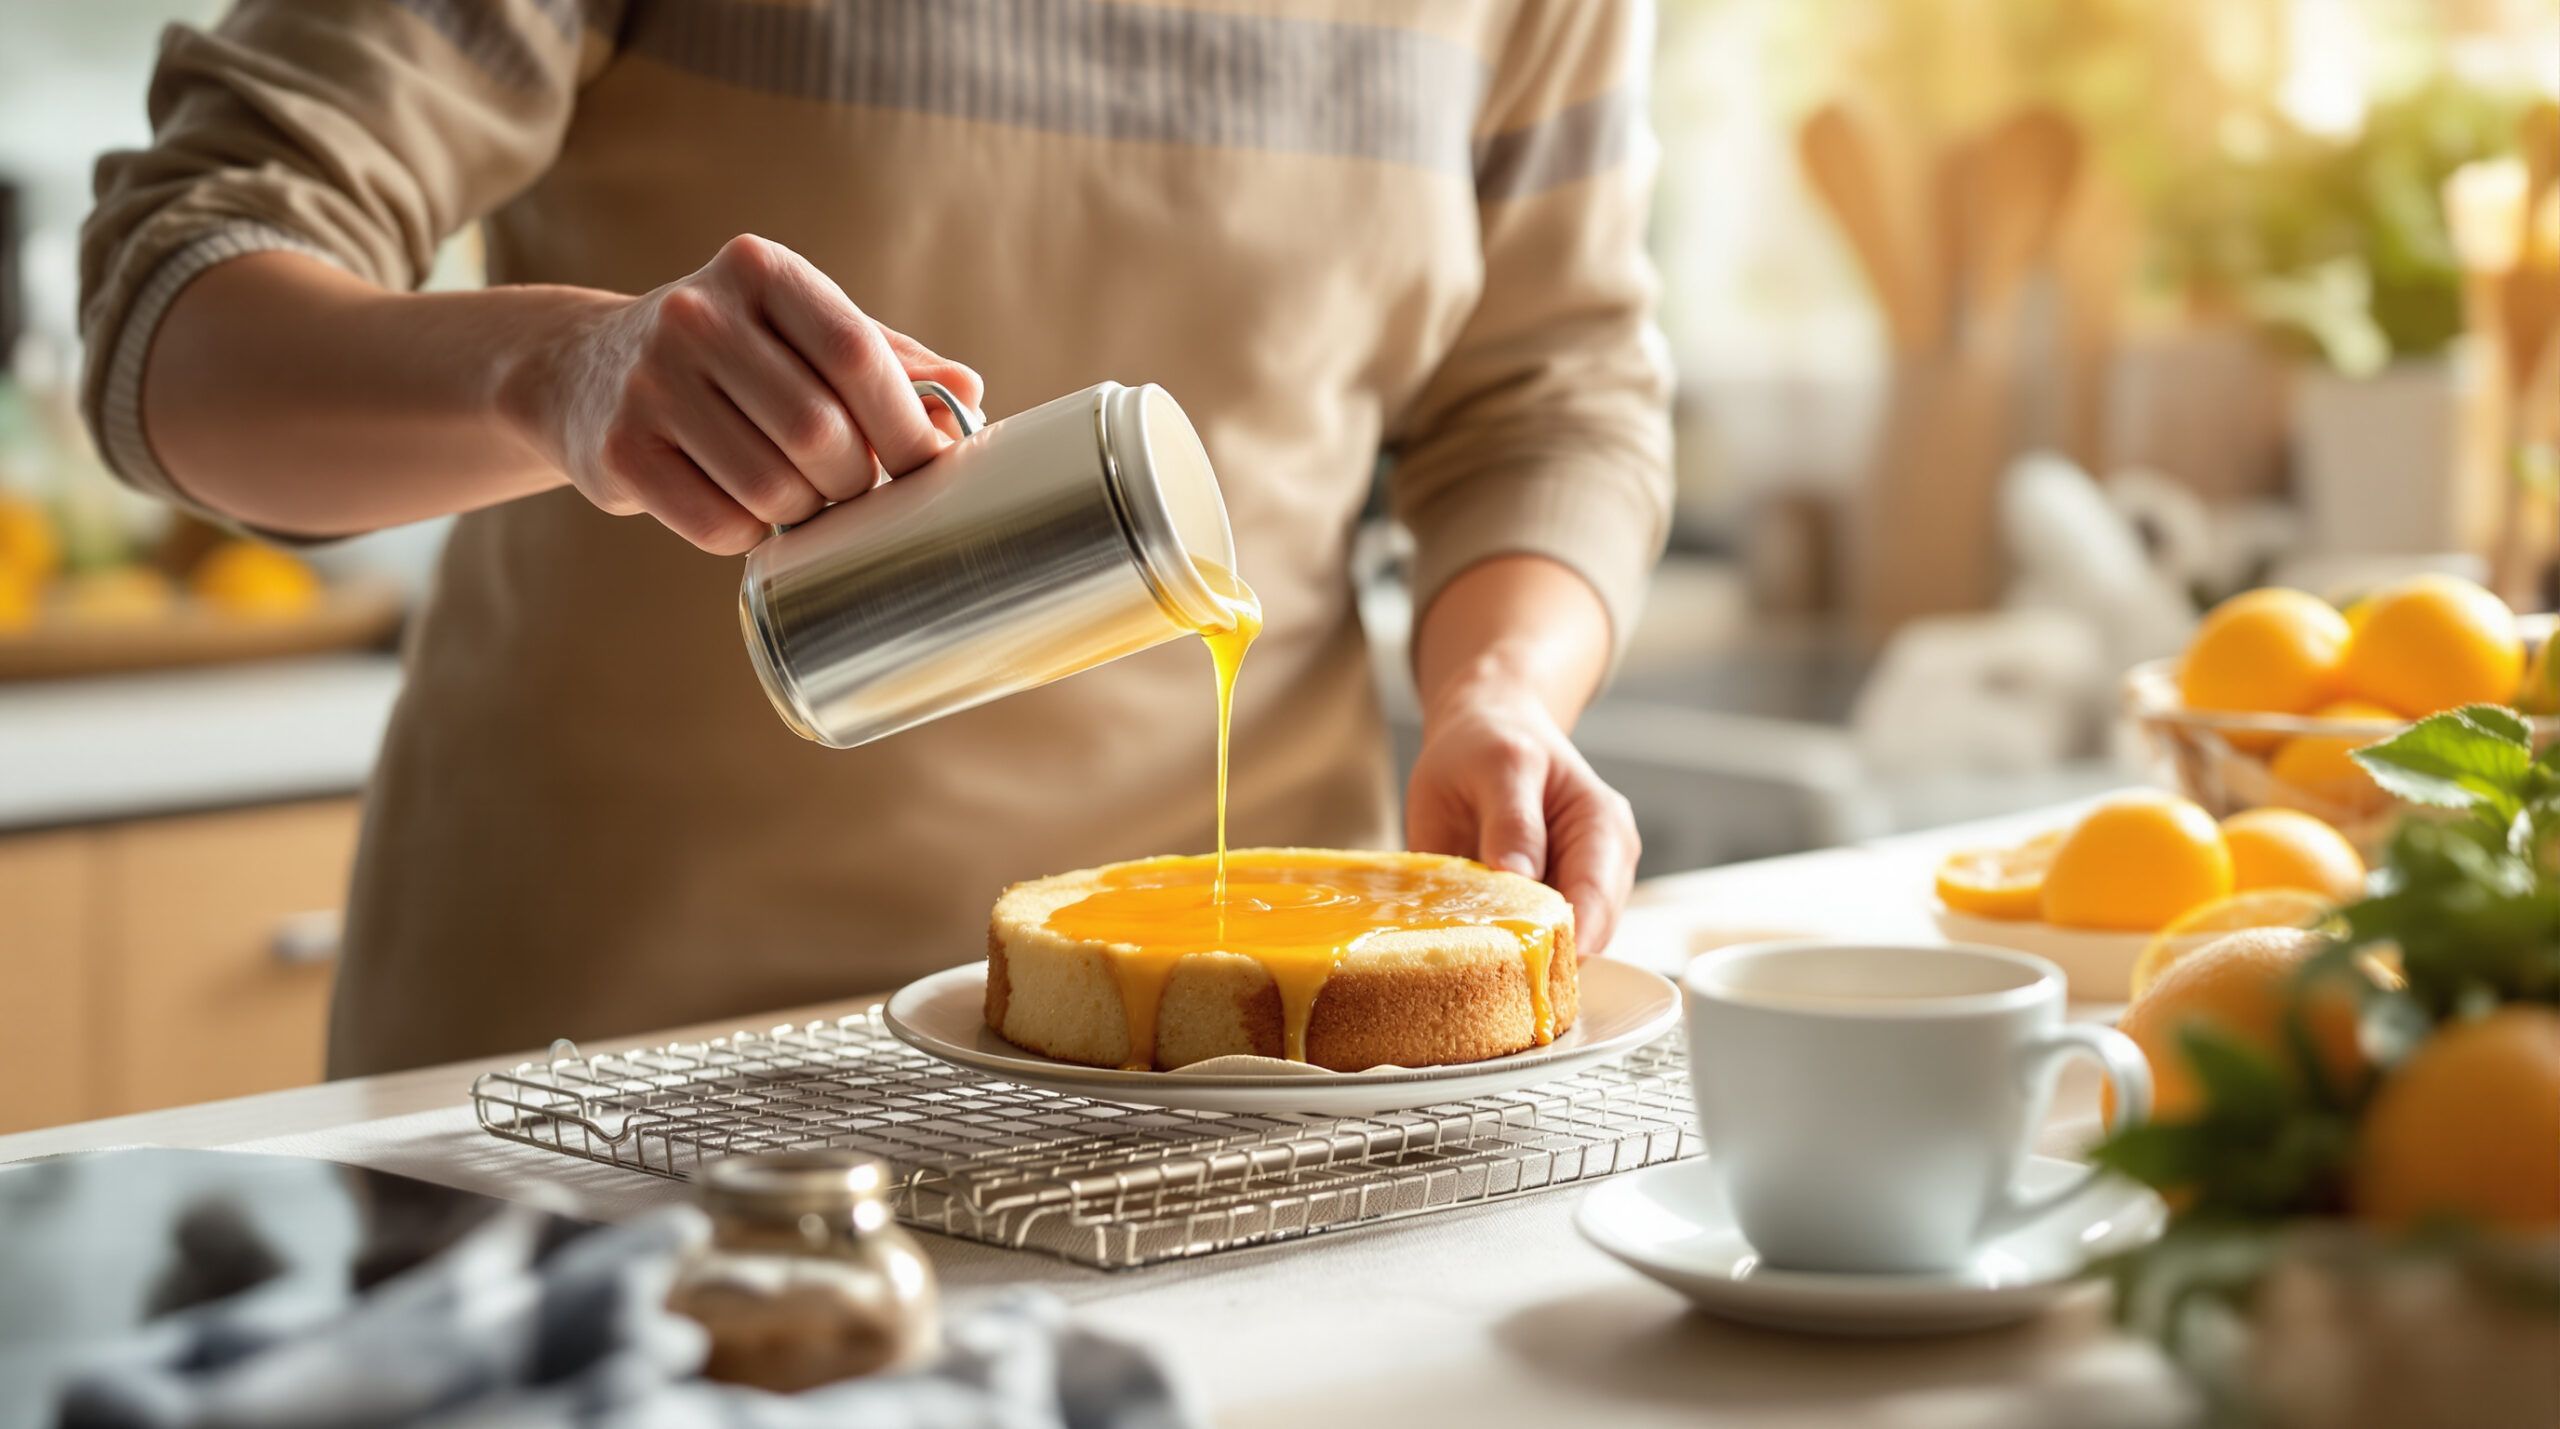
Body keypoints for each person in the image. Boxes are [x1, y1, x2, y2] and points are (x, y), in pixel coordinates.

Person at [81, 0, 1672, 1076]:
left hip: (1229, 1076)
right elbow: (175, 306)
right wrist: (553, 372)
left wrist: (1499, 692)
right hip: (619, 1064)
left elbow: (1552, 393)